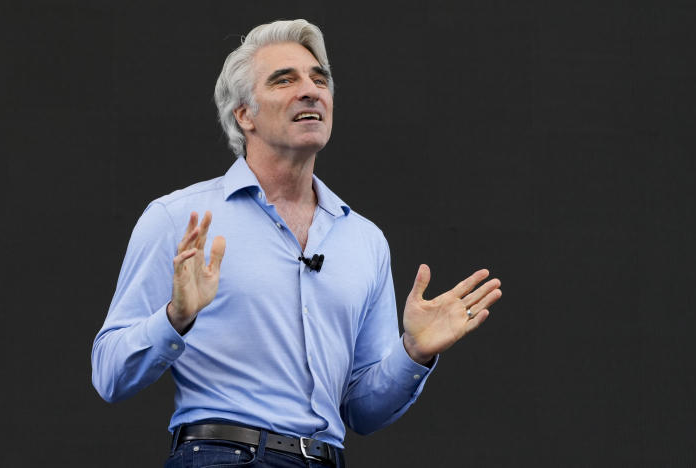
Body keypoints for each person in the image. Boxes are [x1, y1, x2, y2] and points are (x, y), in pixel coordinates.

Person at [91, 19, 502, 468]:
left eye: (319, 79)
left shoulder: (364, 241)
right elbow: (110, 374)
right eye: (284, 80)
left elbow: (362, 412)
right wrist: (176, 317)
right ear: (243, 114)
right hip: (223, 455)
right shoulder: (179, 220)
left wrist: (414, 353)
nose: (310, 90)